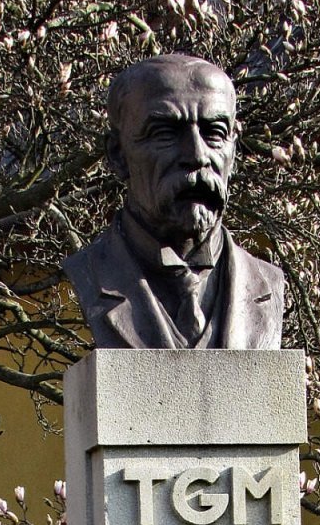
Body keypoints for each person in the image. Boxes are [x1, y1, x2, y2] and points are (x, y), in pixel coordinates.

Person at [64, 54, 285, 350]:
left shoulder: (267, 283)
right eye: (165, 133)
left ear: (234, 150)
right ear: (117, 154)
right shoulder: (89, 274)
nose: (196, 155)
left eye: (214, 133)